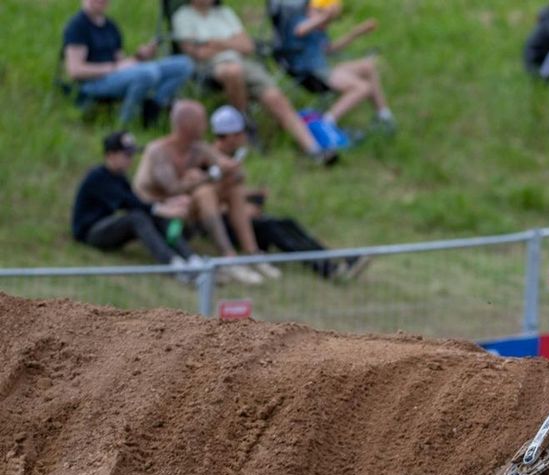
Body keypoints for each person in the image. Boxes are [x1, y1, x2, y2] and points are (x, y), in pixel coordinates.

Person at [209, 105, 371, 280]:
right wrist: (240, 207)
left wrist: (253, 194)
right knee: (273, 229)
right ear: (232, 136)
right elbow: (209, 202)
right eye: (242, 133)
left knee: (287, 223)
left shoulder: (232, 157)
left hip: (241, 218)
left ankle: (333, 259)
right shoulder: (210, 160)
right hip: (226, 225)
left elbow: (232, 192)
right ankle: (329, 269)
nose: (244, 138)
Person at [171, 0, 339, 165]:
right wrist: (231, 43)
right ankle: (244, 125)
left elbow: (247, 46)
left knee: (274, 96)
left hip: (243, 63)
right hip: (210, 67)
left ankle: (313, 148)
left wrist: (215, 43)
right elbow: (198, 53)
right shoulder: (183, 16)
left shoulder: (224, 13)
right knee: (233, 71)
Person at [133, 100, 281, 286]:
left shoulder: (198, 148)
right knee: (205, 192)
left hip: (185, 208)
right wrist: (207, 177)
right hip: (160, 212)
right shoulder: (158, 151)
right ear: (188, 125)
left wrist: (230, 170)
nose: (206, 127)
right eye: (202, 122)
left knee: (233, 190)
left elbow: (228, 169)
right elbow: (172, 189)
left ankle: (252, 254)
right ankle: (228, 258)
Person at [71, 131, 197, 280]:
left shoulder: (119, 177)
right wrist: (163, 209)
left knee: (158, 216)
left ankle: (191, 259)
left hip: (106, 226)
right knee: (138, 217)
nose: (130, 160)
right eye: (126, 155)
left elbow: (137, 201)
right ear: (111, 155)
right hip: (90, 233)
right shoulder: (98, 176)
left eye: (131, 155)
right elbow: (128, 203)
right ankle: (172, 264)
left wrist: (167, 204)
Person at [62, 0, 193, 126]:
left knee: (183, 64)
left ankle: (154, 107)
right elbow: (75, 71)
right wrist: (113, 68)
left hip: (115, 75)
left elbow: (122, 62)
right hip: (93, 82)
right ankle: (126, 121)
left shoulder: (110, 26)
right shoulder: (77, 26)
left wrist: (140, 57)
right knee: (147, 74)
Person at [276, 0, 395, 133]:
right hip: (311, 72)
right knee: (362, 87)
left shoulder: (319, 29)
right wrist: (325, 17)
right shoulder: (299, 20)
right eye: (320, 13)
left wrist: (356, 33)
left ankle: (384, 116)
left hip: (323, 68)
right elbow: (300, 31)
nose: (327, 23)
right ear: (311, 9)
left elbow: (330, 50)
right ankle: (327, 122)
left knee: (368, 66)